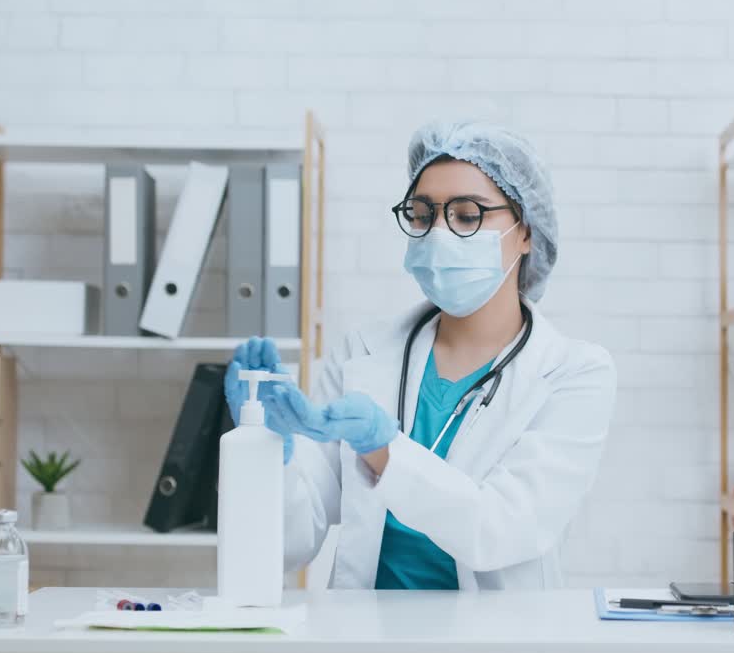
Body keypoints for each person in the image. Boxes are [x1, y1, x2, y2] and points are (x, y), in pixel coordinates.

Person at [224, 121, 615, 590]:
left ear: (527, 231)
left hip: (494, 651)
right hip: (365, 645)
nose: (438, 234)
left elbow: (503, 529)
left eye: (468, 216)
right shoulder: (361, 353)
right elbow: (287, 545)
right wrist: (267, 451)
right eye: (422, 214)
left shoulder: (573, 373)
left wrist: (382, 449)